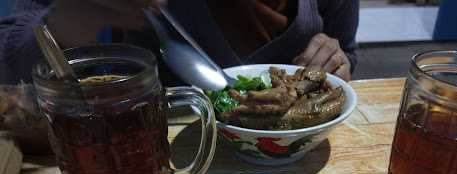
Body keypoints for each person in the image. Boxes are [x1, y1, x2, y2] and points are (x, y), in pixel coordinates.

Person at [0, 0, 359, 85]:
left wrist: (337, 64)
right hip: (166, 151)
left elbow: (349, 55)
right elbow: (10, 63)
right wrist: (75, 15)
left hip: (297, 151)